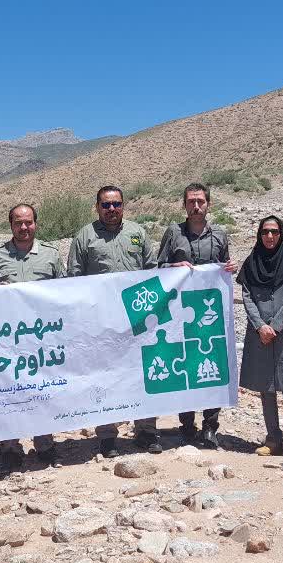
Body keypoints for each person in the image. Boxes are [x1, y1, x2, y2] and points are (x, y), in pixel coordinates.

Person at [66, 185, 159, 457]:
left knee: (141, 373)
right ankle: (107, 436)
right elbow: (74, 279)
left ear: (123, 206)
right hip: (101, 323)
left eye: (116, 204)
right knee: (104, 377)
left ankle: (146, 431)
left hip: (136, 318)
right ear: (97, 207)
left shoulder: (138, 233)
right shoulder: (85, 236)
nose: (111, 209)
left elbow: (153, 272)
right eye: (105, 205)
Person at [0, 203, 66, 469]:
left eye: (28, 222)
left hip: (42, 339)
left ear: (35, 223)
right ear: (11, 225)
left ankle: (45, 443)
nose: (24, 227)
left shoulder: (51, 256)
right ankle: (10, 446)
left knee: (42, 390)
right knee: (9, 393)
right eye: (18, 223)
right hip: (7, 342)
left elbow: (65, 292)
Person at [157, 183, 238, 449]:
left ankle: (210, 426)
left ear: (208, 204)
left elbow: (224, 267)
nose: (196, 206)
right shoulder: (174, 233)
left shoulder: (220, 235)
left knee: (213, 363)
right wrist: (173, 266)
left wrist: (229, 267)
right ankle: (187, 426)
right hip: (180, 312)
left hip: (210, 312)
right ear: (184, 205)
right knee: (185, 365)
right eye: (191, 201)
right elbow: (158, 267)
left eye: (200, 201)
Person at [238, 216, 283, 457]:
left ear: (282, 234)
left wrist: (275, 326)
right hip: (259, 333)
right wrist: (260, 326)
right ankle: (273, 438)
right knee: (265, 385)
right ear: (260, 235)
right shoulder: (251, 263)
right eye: (265, 232)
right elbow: (247, 296)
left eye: (275, 232)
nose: (270, 236)